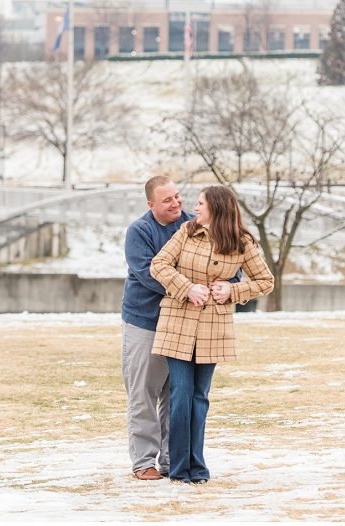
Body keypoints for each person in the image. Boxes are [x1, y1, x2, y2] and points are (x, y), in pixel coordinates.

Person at [150, 185, 274, 484]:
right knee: (180, 395)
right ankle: (180, 469)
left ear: (216, 207)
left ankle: (198, 466)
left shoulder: (242, 242)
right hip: (177, 322)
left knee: (199, 397)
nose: (194, 207)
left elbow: (265, 281)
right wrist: (186, 287)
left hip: (212, 329)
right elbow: (159, 264)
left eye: (201, 203)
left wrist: (233, 290)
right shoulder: (187, 232)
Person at [121, 175, 190, 480]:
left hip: (184, 322)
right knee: (144, 394)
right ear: (151, 204)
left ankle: (173, 459)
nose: (175, 203)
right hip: (145, 321)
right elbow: (150, 275)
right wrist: (190, 287)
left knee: (177, 395)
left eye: (177, 196)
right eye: (167, 200)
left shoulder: (195, 224)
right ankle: (144, 463)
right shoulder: (139, 231)